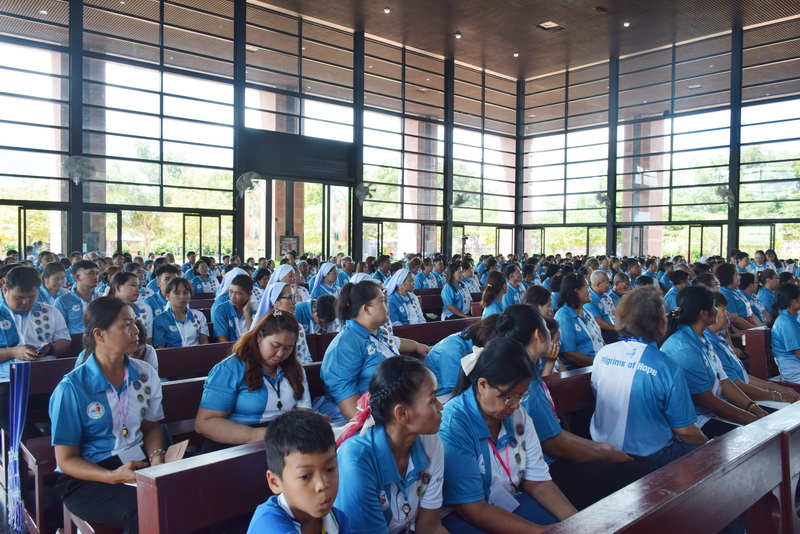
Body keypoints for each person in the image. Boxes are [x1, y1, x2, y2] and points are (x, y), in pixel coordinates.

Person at [494, 304, 655, 508]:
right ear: (538, 335)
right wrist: (605, 451)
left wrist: (602, 448)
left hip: (547, 461)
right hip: (547, 469)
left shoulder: (528, 370)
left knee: (636, 462)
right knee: (644, 475)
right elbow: (556, 445)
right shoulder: (525, 383)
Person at [49, 298, 164, 534]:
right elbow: (66, 460)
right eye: (126, 325)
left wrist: (157, 459)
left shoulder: (144, 374)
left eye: (135, 323)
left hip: (136, 463)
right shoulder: (72, 388)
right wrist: (112, 476)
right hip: (88, 477)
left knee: (183, 492)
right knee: (142, 508)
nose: (136, 331)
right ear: (99, 334)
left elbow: (151, 426)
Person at [439, 337, 577, 532]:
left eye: (521, 396)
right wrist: (540, 531)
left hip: (509, 498)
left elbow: (537, 482)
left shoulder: (517, 414)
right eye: (509, 397)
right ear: (482, 385)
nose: (516, 405)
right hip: (463, 513)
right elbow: (471, 507)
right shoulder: (454, 423)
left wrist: (578, 522)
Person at [589, 287, 708, 470]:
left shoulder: (604, 353)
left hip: (603, 447)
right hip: (651, 455)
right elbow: (685, 430)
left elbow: (597, 392)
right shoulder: (665, 366)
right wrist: (708, 444)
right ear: (660, 324)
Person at [335, 356, 448, 534]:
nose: (441, 407)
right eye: (432, 399)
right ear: (402, 413)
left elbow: (430, 527)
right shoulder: (357, 461)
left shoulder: (430, 442)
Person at [196, 310, 311, 452]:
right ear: (260, 336)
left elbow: (303, 413)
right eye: (275, 345)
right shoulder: (230, 369)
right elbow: (205, 423)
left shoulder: (295, 371)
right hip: (234, 446)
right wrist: (260, 435)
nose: (280, 354)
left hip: (282, 443)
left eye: (288, 348)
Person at [661, 286, 768, 437]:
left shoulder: (702, 337)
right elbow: (708, 401)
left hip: (711, 411)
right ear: (704, 314)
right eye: (714, 306)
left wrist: (754, 409)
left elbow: (724, 381)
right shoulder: (683, 348)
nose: (717, 310)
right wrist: (754, 420)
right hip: (695, 421)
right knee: (759, 434)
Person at [318, 281, 429, 423]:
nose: (387, 305)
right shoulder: (345, 344)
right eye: (382, 301)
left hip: (392, 408)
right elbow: (349, 404)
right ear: (366, 309)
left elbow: (394, 343)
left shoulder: (377, 334)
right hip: (362, 419)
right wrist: (381, 426)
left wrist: (417, 346)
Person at [247, 410, 350, 533]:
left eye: (330, 469)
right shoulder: (268, 525)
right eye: (305, 476)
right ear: (275, 482)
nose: (322, 485)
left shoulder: (338, 520)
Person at [706, 292, 798, 403]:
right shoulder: (711, 343)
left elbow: (744, 377)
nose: (728, 314)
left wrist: (772, 386)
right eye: (724, 310)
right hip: (734, 400)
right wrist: (774, 396)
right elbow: (736, 384)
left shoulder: (719, 339)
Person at [424, 316, 498, 403]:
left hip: (462, 387)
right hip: (441, 395)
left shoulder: (474, 337)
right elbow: (457, 390)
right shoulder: (453, 351)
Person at [252, 282, 314, 364]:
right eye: (290, 298)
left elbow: (306, 357)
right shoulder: (264, 328)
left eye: (294, 297)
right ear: (275, 302)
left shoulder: (297, 327)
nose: (294, 302)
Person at [554, 273, 604, 370]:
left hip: (598, 364)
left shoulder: (587, 313)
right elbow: (569, 354)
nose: (590, 290)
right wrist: (598, 363)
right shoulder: (564, 316)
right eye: (587, 287)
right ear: (577, 292)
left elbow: (600, 340)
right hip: (581, 370)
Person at [152, 278, 209, 348]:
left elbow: (204, 342)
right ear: (168, 296)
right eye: (177, 293)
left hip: (196, 353)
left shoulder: (198, 316)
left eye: (186, 292)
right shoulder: (160, 320)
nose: (182, 297)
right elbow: (160, 349)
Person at [55, 260, 101, 334]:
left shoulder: (101, 299)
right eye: (91, 273)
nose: (96, 277)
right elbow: (59, 330)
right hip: (74, 339)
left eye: (97, 273)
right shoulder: (63, 301)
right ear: (77, 277)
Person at [108, 272, 154, 344]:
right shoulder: (106, 310)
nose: (138, 290)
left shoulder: (144, 309)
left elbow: (148, 339)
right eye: (133, 285)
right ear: (118, 287)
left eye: (138, 286)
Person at [716, 263, 762, 330]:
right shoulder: (725, 293)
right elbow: (734, 318)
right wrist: (753, 328)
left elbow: (751, 313)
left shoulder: (736, 292)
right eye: (737, 275)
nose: (740, 277)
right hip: (743, 329)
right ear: (729, 277)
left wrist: (760, 327)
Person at [770, 283, 800, 384]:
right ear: (793, 302)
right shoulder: (786, 323)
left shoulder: (790, 318)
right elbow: (798, 353)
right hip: (795, 372)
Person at [211, 274, 253, 343]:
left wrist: (246, 312)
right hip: (229, 349)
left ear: (249, 294)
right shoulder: (221, 309)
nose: (232, 297)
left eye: (238, 293)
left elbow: (254, 337)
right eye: (231, 291)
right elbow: (222, 340)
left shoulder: (256, 309)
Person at [584, 270, 617, 344]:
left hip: (613, 326)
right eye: (607, 283)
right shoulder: (589, 299)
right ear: (598, 284)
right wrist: (618, 328)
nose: (609, 285)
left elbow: (613, 312)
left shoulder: (605, 295)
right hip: (604, 332)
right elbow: (600, 323)